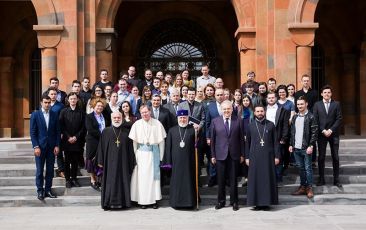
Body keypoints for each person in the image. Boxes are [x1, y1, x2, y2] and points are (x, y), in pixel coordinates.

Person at [129, 105, 167, 209]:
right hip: (141, 155)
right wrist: (135, 156)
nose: (145, 114)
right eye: (142, 113)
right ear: (140, 114)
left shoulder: (157, 123)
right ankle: (143, 201)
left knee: (154, 179)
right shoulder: (137, 124)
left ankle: (154, 201)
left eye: (146, 112)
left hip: (154, 154)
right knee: (142, 179)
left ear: (150, 112)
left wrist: (161, 157)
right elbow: (134, 143)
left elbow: (161, 142)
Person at [97, 112, 135, 210]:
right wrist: (100, 161)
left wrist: (131, 162)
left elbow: (130, 149)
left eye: (119, 117)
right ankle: (108, 203)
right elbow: (100, 147)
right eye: (115, 117)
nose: (117, 119)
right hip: (109, 163)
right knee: (110, 181)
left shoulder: (127, 132)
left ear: (122, 118)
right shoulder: (106, 131)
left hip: (123, 162)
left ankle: (124, 203)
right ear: (111, 118)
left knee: (123, 181)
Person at [210, 100, 245, 211]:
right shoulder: (215, 121)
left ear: (232, 109)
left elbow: (241, 140)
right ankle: (221, 201)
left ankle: (234, 202)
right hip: (220, 155)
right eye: (224, 109)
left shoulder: (238, 121)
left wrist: (242, 154)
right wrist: (213, 155)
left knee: (233, 180)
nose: (226, 111)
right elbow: (213, 140)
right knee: (220, 180)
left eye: (228, 109)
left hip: (234, 155)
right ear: (221, 109)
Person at [245, 105, 280, 210]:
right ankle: (256, 202)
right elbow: (247, 143)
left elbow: (276, 142)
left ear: (264, 112)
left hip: (268, 157)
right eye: (257, 111)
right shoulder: (250, 126)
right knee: (256, 180)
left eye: (261, 111)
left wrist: (277, 156)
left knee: (266, 179)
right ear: (254, 113)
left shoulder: (271, 125)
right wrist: (247, 157)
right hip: (254, 157)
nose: (260, 113)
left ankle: (266, 202)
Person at [163, 109, 197, 209]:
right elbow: (168, 146)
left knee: (188, 181)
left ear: (187, 118)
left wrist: (198, 131)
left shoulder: (192, 130)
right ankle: (176, 202)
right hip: (176, 162)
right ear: (178, 118)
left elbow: (197, 146)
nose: (182, 119)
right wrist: (168, 162)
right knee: (177, 182)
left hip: (188, 162)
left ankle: (190, 202)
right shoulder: (172, 130)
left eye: (184, 118)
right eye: (181, 118)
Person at [30, 95, 60, 200]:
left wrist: (57, 145)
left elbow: (57, 131)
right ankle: (40, 191)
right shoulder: (35, 114)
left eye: (49, 102)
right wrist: (36, 146)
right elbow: (33, 133)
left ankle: (48, 190)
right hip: (40, 148)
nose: (47, 104)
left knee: (50, 170)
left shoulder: (54, 114)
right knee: (39, 170)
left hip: (51, 147)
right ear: (41, 103)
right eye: (45, 102)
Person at [313, 85, 342, 187]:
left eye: (329, 92)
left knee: (335, 157)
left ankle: (336, 179)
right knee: (321, 157)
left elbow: (339, 119)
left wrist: (330, 130)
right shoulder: (317, 105)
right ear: (321, 94)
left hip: (333, 134)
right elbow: (315, 120)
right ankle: (321, 179)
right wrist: (323, 130)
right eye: (325, 92)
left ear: (331, 93)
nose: (327, 94)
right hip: (322, 135)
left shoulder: (336, 104)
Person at [289, 96, 318, 198]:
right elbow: (292, 132)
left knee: (308, 168)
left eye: (302, 104)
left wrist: (311, 145)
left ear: (306, 104)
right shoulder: (295, 117)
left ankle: (309, 187)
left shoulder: (311, 117)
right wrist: (291, 144)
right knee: (301, 168)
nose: (300, 106)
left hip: (306, 148)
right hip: (296, 147)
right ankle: (302, 187)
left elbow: (314, 132)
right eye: (298, 104)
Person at [59, 93, 86, 188]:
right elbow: (61, 126)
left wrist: (76, 137)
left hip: (77, 141)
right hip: (67, 140)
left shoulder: (81, 112)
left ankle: (74, 178)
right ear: (68, 100)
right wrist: (68, 137)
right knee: (67, 161)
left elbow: (83, 127)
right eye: (71, 99)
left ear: (77, 100)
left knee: (75, 161)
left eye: (74, 99)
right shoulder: (64, 111)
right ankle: (67, 180)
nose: (73, 100)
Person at [266, 92, 290, 183]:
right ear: (267, 99)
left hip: (278, 137)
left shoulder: (283, 110)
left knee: (278, 157)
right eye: (269, 98)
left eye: (273, 98)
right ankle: (269, 178)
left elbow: (285, 126)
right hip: (265, 137)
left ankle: (278, 178)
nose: (271, 99)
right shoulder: (263, 109)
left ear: (276, 98)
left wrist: (284, 138)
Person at [85, 99, 109, 191]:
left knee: (100, 159)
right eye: (98, 106)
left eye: (101, 106)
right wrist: (102, 135)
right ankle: (93, 180)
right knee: (91, 160)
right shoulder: (89, 117)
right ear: (94, 106)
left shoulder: (105, 116)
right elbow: (90, 129)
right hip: (93, 141)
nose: (100, 107)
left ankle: (99, 179)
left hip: (102, 142)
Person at [205, 88, 225, 187]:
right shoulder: (210, 106)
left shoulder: (228, 105)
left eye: (221, 94)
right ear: (215, 96)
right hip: (214, 136)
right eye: (218, 95)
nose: (220, 96)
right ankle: (213, 178)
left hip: (226, 136)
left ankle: (225, 179)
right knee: (212, 157)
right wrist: (208, 137)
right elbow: (207, 123)